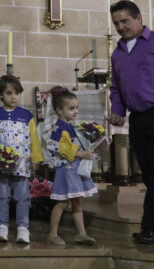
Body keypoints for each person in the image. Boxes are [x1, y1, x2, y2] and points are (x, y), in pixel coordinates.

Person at [108, 0, 154, 244]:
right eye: (116, 23)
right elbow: (116, 88)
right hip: (138, 119)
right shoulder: (117, 53)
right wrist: (118, 111)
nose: (120, 27)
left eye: (125, 21)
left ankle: (149, 227)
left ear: (139, 18)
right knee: (151, 177)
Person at [0, 75, 43, 244]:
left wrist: (35, 159)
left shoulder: (26, 115)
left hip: (22, 165)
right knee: (2, 195)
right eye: (9, 93)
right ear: (0, 95)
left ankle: (22, 228)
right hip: (1, 165)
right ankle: (2, 226)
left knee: (22, 196)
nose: (14, 97)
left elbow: (34, 138)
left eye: (17, 93)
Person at [45, 87, 97, 246]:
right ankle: (52, 234)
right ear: (59, 110)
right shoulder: (59, 128)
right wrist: (81, 154)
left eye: (77, 108)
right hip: (66, 170)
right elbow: (59, 148)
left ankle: (81, 234)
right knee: (62, 202)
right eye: (71, 108)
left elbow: (74, 145)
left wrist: (87, 150)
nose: (76, 111)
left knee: (76, 202)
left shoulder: (70, 126)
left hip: (74, 168)